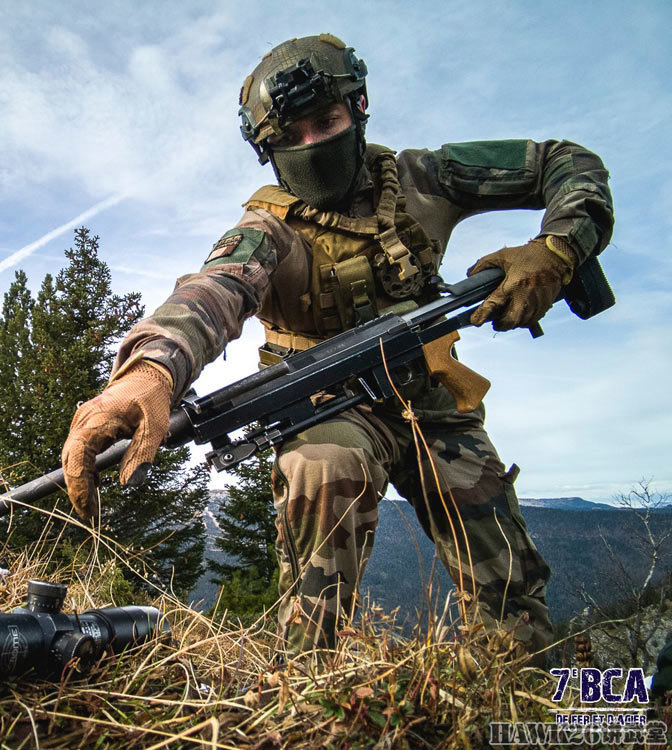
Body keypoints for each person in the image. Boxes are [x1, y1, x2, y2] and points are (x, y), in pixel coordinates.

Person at [61, 34, 613, 660]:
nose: (313, 144)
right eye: (291, 134)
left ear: (359, 107)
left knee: (502, 560)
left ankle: (514, 685)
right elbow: (211, 293)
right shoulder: (267, 230)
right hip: (328, 402)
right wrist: (149, 371)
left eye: (326, 121)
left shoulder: (424, 177)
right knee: (324, 469)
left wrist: (559, 248)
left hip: (430, 396)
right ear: (268, 149)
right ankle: (308, 681)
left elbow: (565, 162)